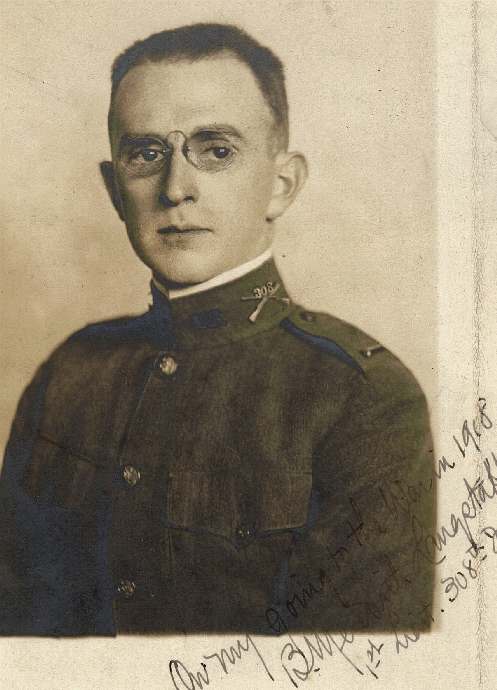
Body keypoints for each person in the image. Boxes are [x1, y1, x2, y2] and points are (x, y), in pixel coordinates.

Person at [0, 23, 435, 636]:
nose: (177, 189)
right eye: (146, 154)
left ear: (281, 185)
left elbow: (358, 667)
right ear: (115, 190)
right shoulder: (71, 373)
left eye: (217, 151)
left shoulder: (362, 396)